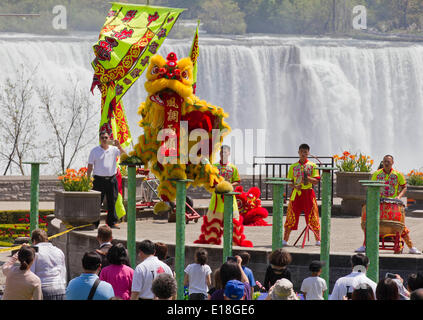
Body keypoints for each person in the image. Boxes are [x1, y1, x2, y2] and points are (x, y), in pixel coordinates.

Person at [356, 154, 420, 254]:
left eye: (388, 162)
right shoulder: (377, 174)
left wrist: (399, 197)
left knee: (400, 226)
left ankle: (411, 247)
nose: (386, 163)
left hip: (393, 205)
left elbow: (404, 187)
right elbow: (371, 187)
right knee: (370, 224)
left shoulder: (398, 174)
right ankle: (365, 245)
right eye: (385, 161)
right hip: (379, 204)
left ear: (392, 163)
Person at [87, 129, 126, 229]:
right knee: (97, 202)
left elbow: (125, 155)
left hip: (112, 179)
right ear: (99, 139)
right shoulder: (94, 151)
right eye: (102, 138)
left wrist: (119, 146)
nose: (104, 139)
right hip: (98, 180)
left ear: (109, 139)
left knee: (112, 200)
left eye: (106, 138)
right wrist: (88, 179)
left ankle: (112, 222)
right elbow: (90, 166)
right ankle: (94, 223)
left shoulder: (114, 149)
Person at [283, 143, 321, 246]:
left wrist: (307, 177)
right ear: (298, 152)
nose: (303, 154)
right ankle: (285, 240)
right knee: (291, 214)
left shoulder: (313, 166)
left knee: (313, 215)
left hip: (308, 193)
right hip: (297, 194)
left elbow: (316, 181)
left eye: (305, 152)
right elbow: (289, 181)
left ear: (308, 153)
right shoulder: (293, 166)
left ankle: (318, 239)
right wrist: (295, 186)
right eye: (301, 152)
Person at [30, 229, 67, 300]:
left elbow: (31, 274)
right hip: (60, 288)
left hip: (43, 288)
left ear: (34, 241)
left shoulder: (34, 252)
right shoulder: (58, 251)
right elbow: (63, 272)